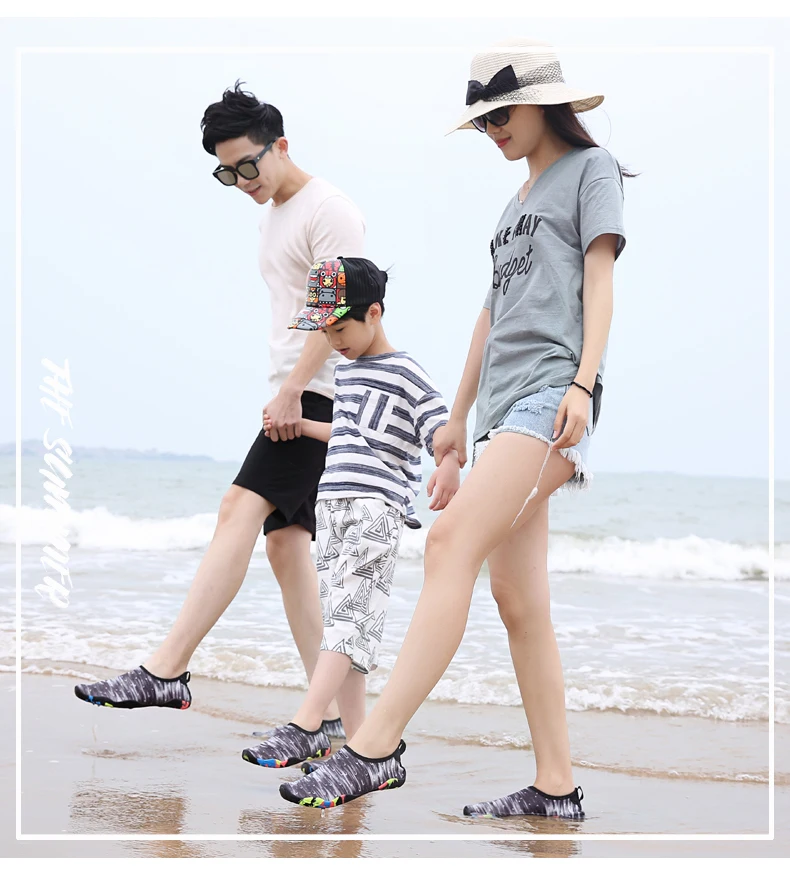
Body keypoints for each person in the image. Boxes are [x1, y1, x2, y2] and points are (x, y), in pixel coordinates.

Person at [279, 38, 630, 816]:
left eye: (501, 116)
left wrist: (582, 382)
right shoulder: (513, 206)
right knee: (518, 603)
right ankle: (556, 786)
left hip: (551, 398)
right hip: (503, 411)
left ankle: (375, 748)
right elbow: (490, 315)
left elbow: (600, 279)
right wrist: (459, 417)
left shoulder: (591, 171)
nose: (492, 131)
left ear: (541, 104)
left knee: (447, 544)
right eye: (483, 122)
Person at [73, 83, 365, 737]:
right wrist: (284, 384)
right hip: (296, 388)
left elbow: (336, 310)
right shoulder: (272, 216)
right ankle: (336, 722)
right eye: (226, 173)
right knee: (286, 549)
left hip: (322, 393)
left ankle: (167, 668)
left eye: (247, 166)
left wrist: (292, 389)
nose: (240, 182)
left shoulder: (330, 210)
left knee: (238, 508)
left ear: (280, 145)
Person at [242, 257, 460, 774]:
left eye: (339, 329)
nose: (333, 341)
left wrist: (449, 464)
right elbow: (346, 432)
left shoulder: (404, 371)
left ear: (374, 314)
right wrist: (297, 426)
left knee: (346, 623)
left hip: (375, 511)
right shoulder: (348, 371)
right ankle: (363, 750)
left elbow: (440, 426)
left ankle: (307, 722)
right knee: (344, 626)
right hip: (334, 509)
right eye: (325, 332)